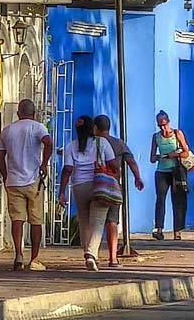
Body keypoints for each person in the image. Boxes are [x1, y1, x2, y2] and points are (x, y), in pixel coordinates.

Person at [0, 98, 53, 271]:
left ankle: (18, 255)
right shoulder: (37, 127)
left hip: (13, 181)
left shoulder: (7, 131)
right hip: (33, 180)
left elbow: (0, 157)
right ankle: (34, 258)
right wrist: (44, 163)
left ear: (18, 113)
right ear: (34, 113)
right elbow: (49, 142)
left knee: (17, 219)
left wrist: (6, 176)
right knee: (36, 221)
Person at [58, 115, 117, 272]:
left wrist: (62, 192)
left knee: (84, 221)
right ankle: (91, 254)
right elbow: (113, 164)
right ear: (93, 129)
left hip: (79, 186)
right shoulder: (102, 143)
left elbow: (67, 170)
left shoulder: (71, 146)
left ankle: (90, 254)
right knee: (97, 222)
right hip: (99, 185)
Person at [93, 113, 143, 267]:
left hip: (94, 185)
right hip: (113, 186)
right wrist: (137, 177)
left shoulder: (91, 143)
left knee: (93, 221)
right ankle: (113, 258)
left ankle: (91, 255)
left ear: (95, 128)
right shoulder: (119, 144)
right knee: (112, 221)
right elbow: (131, 161)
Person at [149, 110, 191, 240]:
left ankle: (177, 231)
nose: (163, 128)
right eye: (160, 125)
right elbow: (151, 157)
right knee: (160, 199)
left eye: (164, 124)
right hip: (162, 171)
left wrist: (174, 154)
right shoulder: (156, 137)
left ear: (168, 122)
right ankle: (159, 229)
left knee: (177, 201)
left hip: (175, 171)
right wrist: (158, 157)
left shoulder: (177, 134)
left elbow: (186, 152)